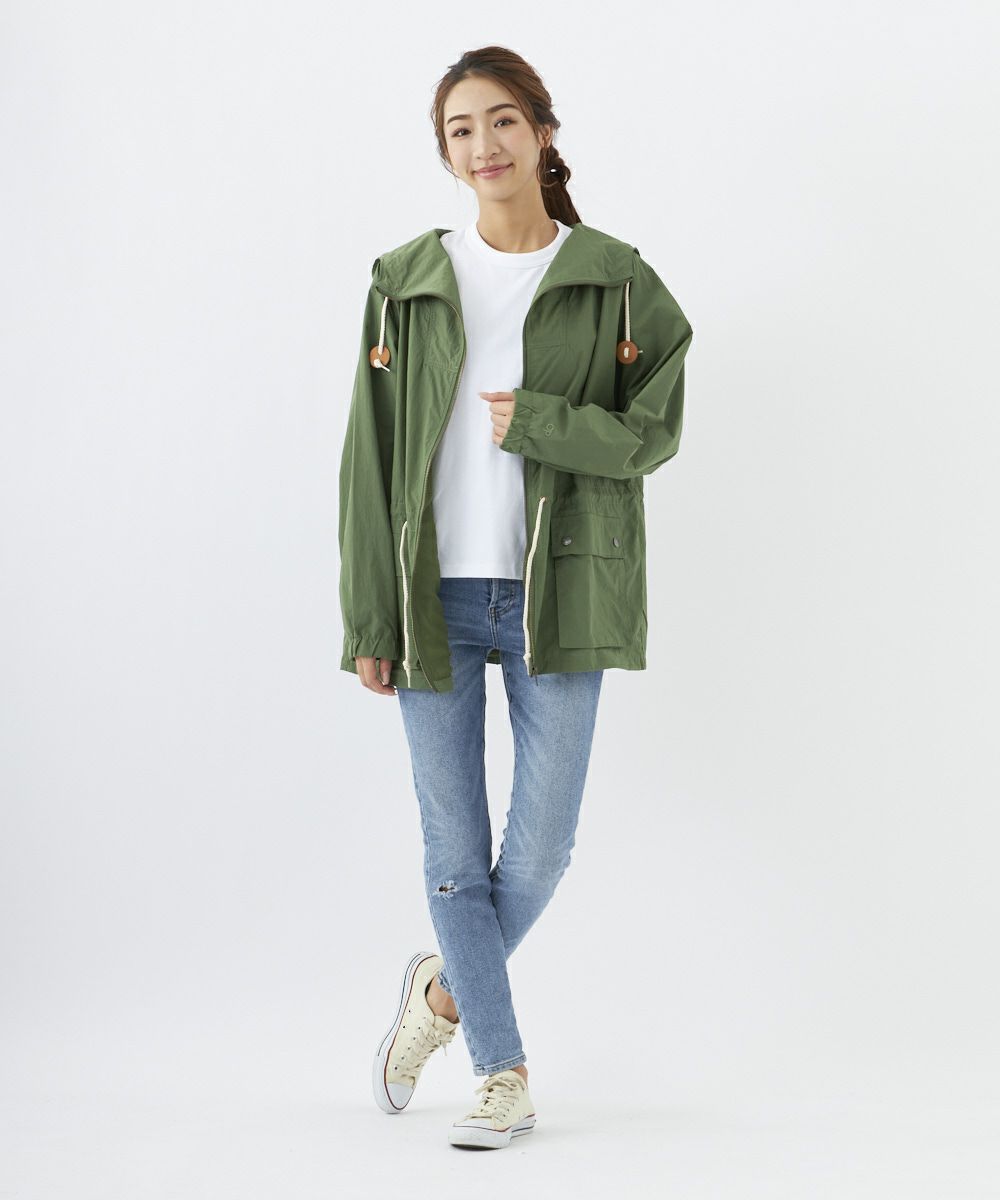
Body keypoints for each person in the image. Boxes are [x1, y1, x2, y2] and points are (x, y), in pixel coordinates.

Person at [338, 45, 694, 1150]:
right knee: (454, 857)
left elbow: (654, 431)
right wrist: (369, 616)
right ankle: (502, 1072)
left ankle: (440, 996)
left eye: (501, 121)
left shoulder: (616, 277)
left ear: (542, 131)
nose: (483, 145)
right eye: (460, 129)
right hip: (431, 596)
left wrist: (540, 421)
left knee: (539, 854)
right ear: (444, 152)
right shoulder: (406, 279)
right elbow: (368, 457)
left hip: (563, 593)